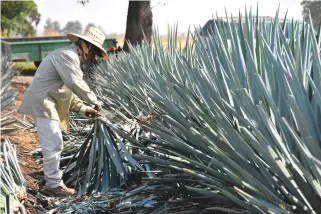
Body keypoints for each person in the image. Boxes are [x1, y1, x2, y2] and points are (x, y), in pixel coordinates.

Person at [19, 26, 107, 197]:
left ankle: (52, 180)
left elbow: (66, 92)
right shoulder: (67, 56)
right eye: (94, 52)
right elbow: (74, 84)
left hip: (47, 101)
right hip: (43, 102)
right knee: (53, 142)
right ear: (85, 45)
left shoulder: (70, 59)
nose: (92, 57)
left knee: (54, 143)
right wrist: (95, 101)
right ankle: (53, 184)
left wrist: (84, 108)